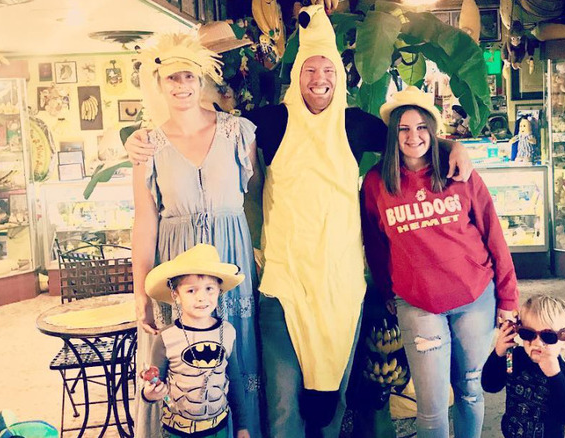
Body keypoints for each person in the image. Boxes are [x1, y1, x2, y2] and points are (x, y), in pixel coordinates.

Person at [126, 6, 474, 437]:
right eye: (310, 68)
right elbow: (206, 131)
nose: (319, 78)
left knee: (331, 407)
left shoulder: (354, 125)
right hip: (283, 286)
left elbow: (411, 137)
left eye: (327, 68)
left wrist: (450, 145)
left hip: (341, 289)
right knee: (284, 405)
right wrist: (141, 137)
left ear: (340, 76)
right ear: (297, 75)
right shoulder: (267, 124)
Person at [360, 86, 519, 438]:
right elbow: (375, 244)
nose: (413, 136)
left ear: (432, 131)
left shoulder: (457, 172)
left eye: (421, 127)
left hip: (475, 297)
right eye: (403, 128)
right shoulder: (376, 183)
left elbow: (493, 234)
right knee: (431, 410)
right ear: (393, 135)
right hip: (417, 304)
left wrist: (508, 300)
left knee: (470, 391)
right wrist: (388, 291)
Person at [131, 32, 263, 438]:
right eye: (172, 78)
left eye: (189, 76)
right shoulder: (146, 145)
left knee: (234, 353)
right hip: (176, 263)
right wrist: (141, 291)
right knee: (179, 357)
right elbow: (144, 220)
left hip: (230, 257)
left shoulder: (238, 131)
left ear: (202, 78)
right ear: (159, 83)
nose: (182, 86)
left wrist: (264, 257)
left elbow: (258, 202)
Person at [142, 244, 250, 438]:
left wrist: (242, 426)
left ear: (219, 291)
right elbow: (154, 383)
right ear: (176, 294)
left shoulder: (227, 332)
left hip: (219, 428)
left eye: (209, 289)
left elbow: (234, 381)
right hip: (177, 430)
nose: (201, 297)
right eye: (191, 291)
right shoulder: (166, 338)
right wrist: (150, 393)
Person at [481, 295, 565, 438]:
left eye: (548, 337)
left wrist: (554, 376)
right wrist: (499, 354)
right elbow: (490, 385)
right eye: (528, 334)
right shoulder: (514, 358)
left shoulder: (564, 372)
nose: (537, 343)